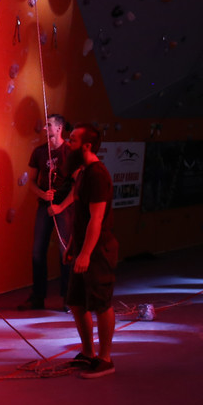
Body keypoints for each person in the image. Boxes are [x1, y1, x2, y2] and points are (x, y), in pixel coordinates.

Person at [63, 124, 117, 378]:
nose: (68, 143)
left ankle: (105, 359)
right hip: (82, 247)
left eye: (72, 140)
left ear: (86, 146)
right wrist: (73, 245)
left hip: (98, 250)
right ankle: (88, 352)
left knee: (101, 303)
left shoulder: (97, 174)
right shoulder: (83, 173)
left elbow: (96, 218)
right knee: (76, 302)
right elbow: (81, 217)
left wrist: (85, 253)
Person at [20, 115, 73, 310]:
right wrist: (43, 195)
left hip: (64, 206)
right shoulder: (39, 152)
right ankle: (38, 296)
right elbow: (32, 182)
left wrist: (61, 206)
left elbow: (78, 185)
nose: (44, 128)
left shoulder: (70, 152)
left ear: (59, 128)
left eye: (48, 125)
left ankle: (68, 297)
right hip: (45, 206)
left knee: (64, 251)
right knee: (37, 251)